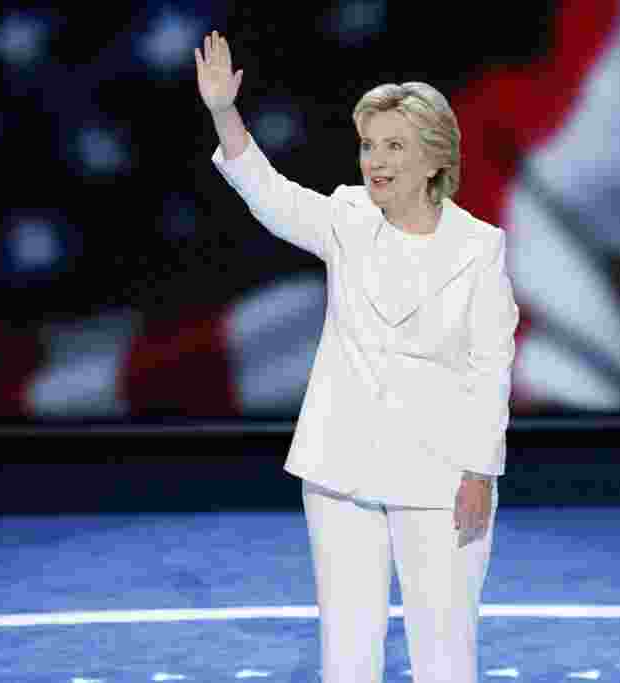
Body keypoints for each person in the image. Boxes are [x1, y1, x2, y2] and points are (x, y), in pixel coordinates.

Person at [195, 30, 519, 683]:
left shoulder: (479, 249)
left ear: (434, 159)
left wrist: (479, 473)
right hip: (340, 469)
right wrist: (223, 112)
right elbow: (271, 194)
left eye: (394, 145)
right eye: (369, 144)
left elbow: (491, 369)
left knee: (445, 656)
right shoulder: (346, 218)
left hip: (442, 477)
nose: (375, 159)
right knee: (346, 658)